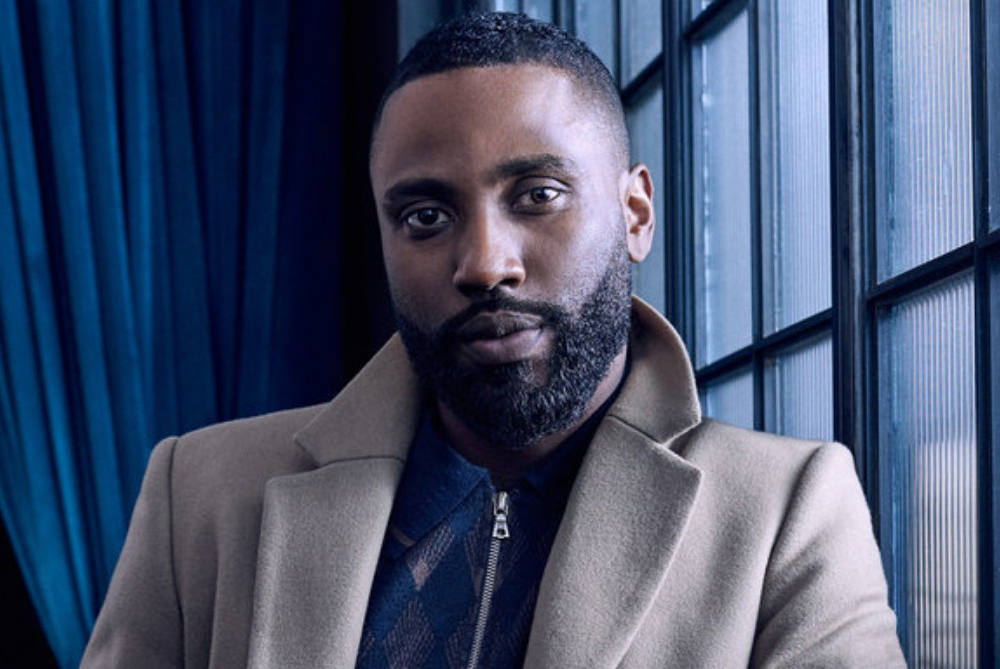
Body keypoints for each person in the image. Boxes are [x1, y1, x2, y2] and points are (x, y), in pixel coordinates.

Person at [82, 12, 906, 668]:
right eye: (425, 215)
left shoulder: (787, 511)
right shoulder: (200, 497)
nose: (484, 263)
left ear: (635, 214)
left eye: (538, 195)